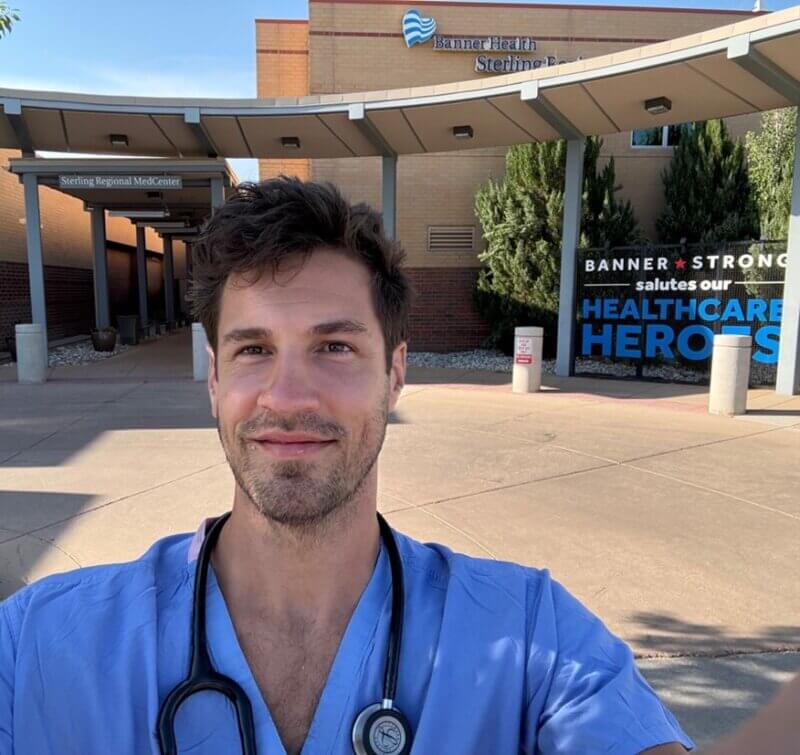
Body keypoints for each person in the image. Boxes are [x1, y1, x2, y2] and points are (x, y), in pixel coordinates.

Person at [0, 178, 693, 754]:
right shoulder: (37, 645)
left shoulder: (533, 639)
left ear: (395, 373)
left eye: (334, 347)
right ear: (214, 378)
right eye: (252, 349)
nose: (289, 396)